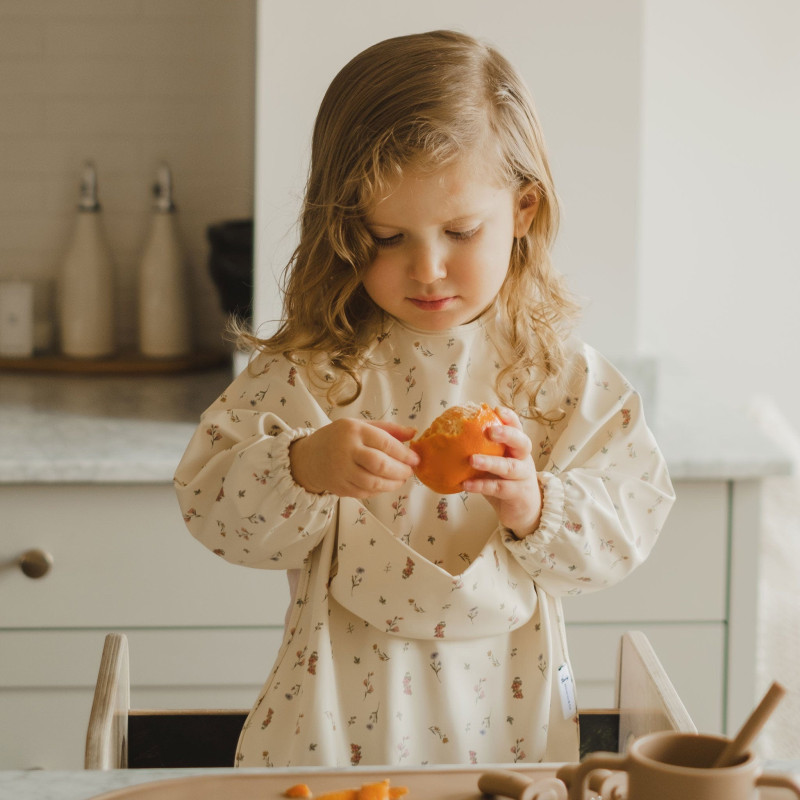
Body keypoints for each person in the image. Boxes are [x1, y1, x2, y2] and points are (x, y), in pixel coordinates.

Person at [174, 29, 675, 768]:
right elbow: (210, 507)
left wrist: (537, 505)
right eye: (387, 236)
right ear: (342, 230)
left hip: (510, 725)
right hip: (335, 723)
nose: (428, 268)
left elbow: (632, 517)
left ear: (524, 210)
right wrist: (303, 465)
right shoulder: (314, 371)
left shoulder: (558, 376)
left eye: (461, 231)